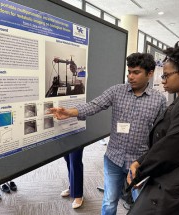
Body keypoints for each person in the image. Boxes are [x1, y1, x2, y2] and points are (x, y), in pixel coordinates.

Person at [49, 53, 167, 215]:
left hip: (140, 162)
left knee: (142, 204)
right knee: (109, 202)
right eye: (129, 72)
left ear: (150, 73)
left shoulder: (159, 100)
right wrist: (69, 112)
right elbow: (94, 105)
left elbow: (159, 133)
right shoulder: (117, 91)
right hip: (114, 159)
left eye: (136, 72)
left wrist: (151, 161)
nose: (130, 77)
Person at [127, 41, 179, 214]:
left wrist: (140, 168)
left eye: (166, 75)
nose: (163, 80)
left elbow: (171, 147)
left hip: (176, 186)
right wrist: (141, 161)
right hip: (169, 178)